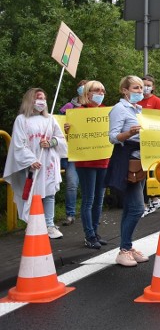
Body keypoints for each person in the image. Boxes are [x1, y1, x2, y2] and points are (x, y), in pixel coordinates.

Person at [3, 88, 68, 239]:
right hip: (32, 164)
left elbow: (60, 138)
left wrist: (51, 142)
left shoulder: (50, 119)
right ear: (30, 100)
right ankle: (33, 225)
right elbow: (19, 144)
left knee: (49, 194)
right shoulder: (21, 120)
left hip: (49, 163)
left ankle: (49, 225)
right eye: (38, 98)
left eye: (44, 99)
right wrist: (30, 160)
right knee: (32, 194)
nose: (42, 101)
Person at [104, 75, 150, 267]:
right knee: (138, 207)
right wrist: (130, 133)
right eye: (135, 88)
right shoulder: (119, 109)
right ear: (124, 90)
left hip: (141, 158)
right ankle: (124, 250)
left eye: (141, 88)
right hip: (127, 159)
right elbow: (113, 137)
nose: (140, 91)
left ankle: (127, 247)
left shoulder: (138, 109)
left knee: (131, 207)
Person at [75, 81, 111, 249]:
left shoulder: (106, 111)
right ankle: (89, 235)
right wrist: (69, 128)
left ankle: (95, 232)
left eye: (102, 90)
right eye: (97, 90)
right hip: (86, 162)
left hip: (103, 160)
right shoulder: (79, 112)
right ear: (87, 93)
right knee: (89, 199)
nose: (100, 93)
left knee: (99, 200)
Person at [58, 78, 88, 226]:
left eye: (85, 87)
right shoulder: (68, 107)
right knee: (71, 184)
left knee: (90, 185)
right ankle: (70, 214)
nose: (82, 89)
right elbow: (58, 125)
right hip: (72, 153)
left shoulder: (94, 108)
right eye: (80, 87)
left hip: (89, 152)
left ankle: (90, 213)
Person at [139, 74, 160, 213]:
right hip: (138, 139)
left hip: (152, 140)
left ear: (153, 87)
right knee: (141, 171)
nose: (146, 88)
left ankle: (153, 198)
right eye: (143, 85)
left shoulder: (156, 101)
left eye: (148, 85)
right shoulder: (136, 100)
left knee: (151, 170)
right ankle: (146, 201)